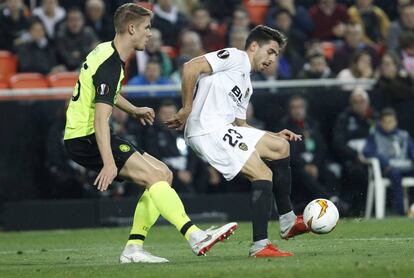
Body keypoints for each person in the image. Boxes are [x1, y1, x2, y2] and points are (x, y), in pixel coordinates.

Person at [63, 3, 236, 264]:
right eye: (146, 27)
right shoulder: (111, 64)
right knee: (154, 176)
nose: (150, 33)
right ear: (131, 28)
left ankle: (133, 248)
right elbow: (100, 118)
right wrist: (108, 162)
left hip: (87, 135)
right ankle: (194, 235)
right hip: (85, 138)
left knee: (163, 174)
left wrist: (133, 110)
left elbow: (104, 93)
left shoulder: (104, 52)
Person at [166, 25, 309, 258]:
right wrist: (187, 108)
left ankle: (287, 220)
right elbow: (190, 67)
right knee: (262, 174)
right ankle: (260, 245)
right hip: (206, 129)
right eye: (270, 51)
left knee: (280, 146)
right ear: (254, 46)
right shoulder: (234, 57)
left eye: (276, 55)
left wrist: (272, 135)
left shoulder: (246, 84)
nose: (272, 59)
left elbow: (240, 126)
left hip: (222, 128)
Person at [333, 87, 378, 215]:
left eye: (361, 101)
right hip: (351, 159)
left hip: (373, 158)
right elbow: (338, 142)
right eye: (355, 102)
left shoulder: (375, 117)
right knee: (357, 173)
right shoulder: (344, 118)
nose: (359, 105)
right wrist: (354, 155)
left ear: (367, 102)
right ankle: (358, 209)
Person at [363, 108, 414, 215]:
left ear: (396, 122)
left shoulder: (403, 135)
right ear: (381, 123)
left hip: (406, 166)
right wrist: (384, 162)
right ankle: (401, 212)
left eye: (391, 121)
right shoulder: (375, 135)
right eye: (385, 122)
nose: (388, 125)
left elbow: (412, 150)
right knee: (395, 175)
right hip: (388, 169)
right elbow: (367, 151)